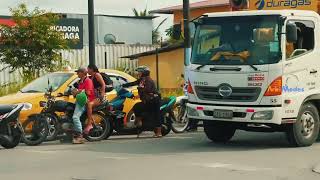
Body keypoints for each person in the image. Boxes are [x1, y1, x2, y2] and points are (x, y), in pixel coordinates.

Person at [122, 66, 162, 138]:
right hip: (147, 101)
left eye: (140, 72)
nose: (138, 74)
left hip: (153, 100)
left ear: (144, 73)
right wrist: (123, 85)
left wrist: (140, 88)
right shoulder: (142, 80)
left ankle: (159, 132)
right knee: (137, 107)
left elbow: (147, 89)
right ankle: (139, 124)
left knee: (156, 115)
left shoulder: (148, 80)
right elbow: (134, 83)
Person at [71, 67, 95, 144]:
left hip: (84, 102)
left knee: (75, 117)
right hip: (79, 100)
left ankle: (79, 137)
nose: (77, 73)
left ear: (83, 73)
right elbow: (78, 91)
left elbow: (88, 93)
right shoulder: (80, 82)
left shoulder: (88, 81)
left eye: (78, 72)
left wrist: (78, 91)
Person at [84, 64, 106, 134]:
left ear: (92, 69)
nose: (87, 71)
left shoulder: (97, 75)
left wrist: (102, 95)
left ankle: (89, 124)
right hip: (94, 96)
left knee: (89, 105)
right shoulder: (91, 77)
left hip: (99, 97)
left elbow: (103, 84)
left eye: (88, 69)